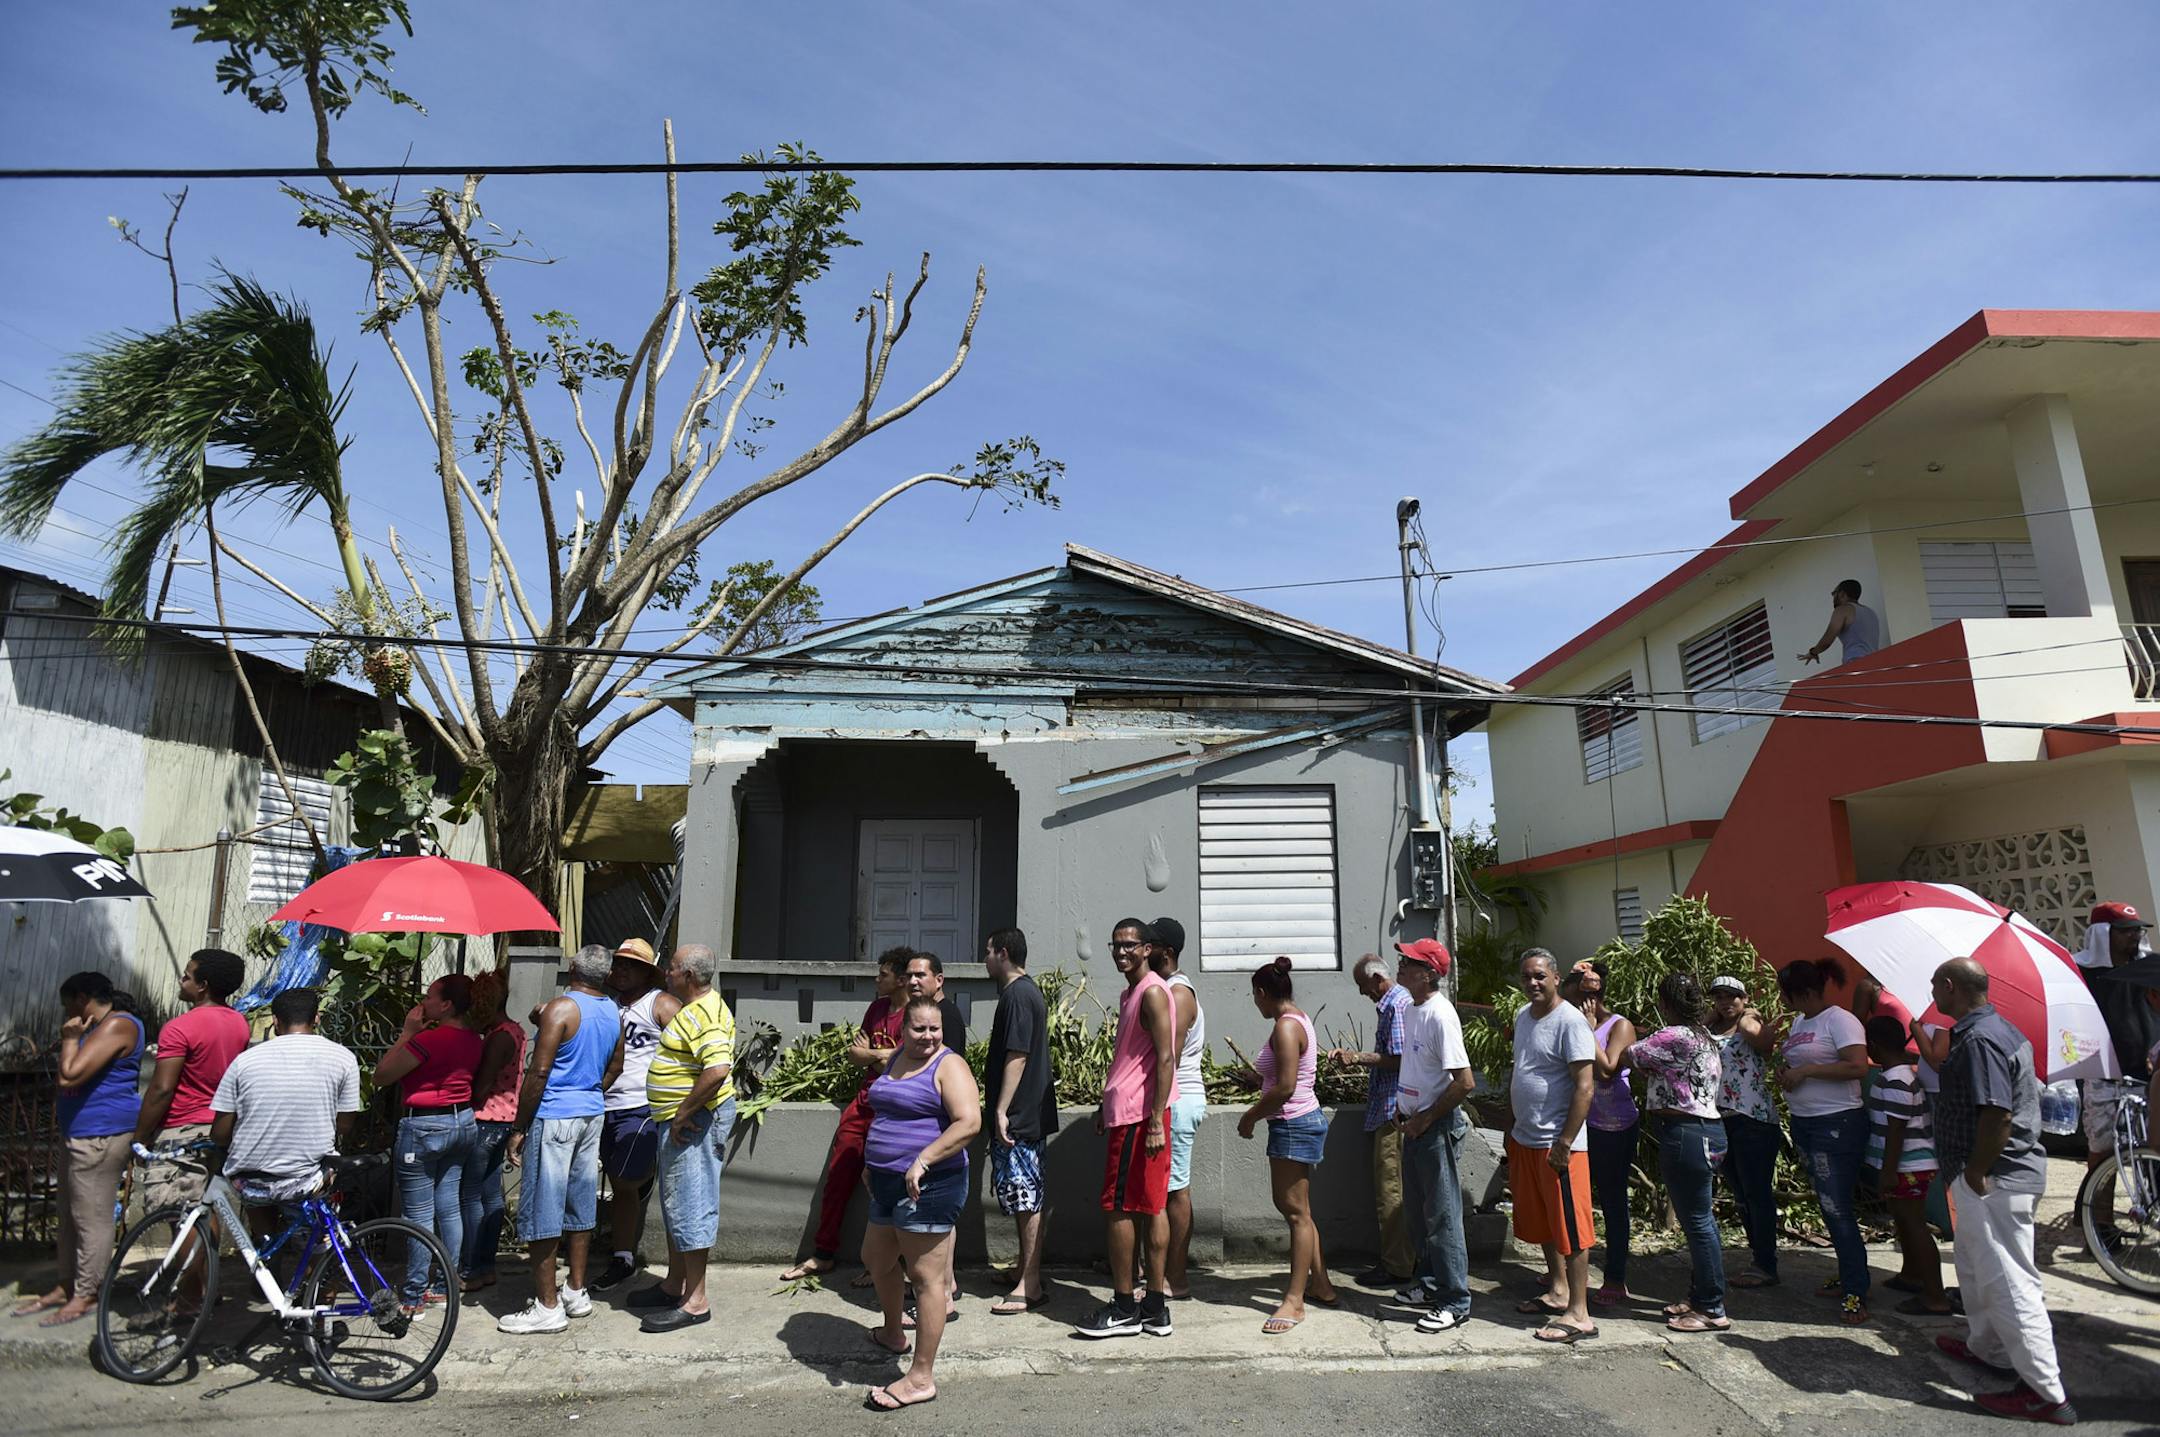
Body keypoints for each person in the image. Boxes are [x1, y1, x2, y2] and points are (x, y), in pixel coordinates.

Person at [1929, 958, 2074, 1425]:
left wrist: (1976, 1170)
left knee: (2010, 1285)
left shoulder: (1981, 1039)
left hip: (1995, 1177)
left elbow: (1997, 1114)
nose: (1932, 994)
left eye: (1935, 986)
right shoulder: (1993, 1030)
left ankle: (2045, 1394)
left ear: (1950, 987)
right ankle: (1989, 1350)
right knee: (1976, 1270)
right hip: (1988, 1175)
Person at [861, 995, 982, 1411]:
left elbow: (969, 1122)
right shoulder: (897, 1057)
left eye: (935, 1029)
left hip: (929, 1185)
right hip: (886, 1182)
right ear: (903, 1029)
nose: (928, 1036)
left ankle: (920, 1377)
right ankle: (894, 1332)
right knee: (876, 1258)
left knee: (926, 1278)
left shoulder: (949, 1065)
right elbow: (885, 1112)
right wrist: (870, 1162)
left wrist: (922, 1160)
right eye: (919, 1029)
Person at [500, 944, 624, 1335]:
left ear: (572, 968)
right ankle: (575, 1290)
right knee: (581, 1200)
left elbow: (538, 1073)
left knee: (543, 1207)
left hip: (555, 1115)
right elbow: (617, 1064)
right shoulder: (610, 1010)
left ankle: (547, 1307)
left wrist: (519, 1127)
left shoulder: (561, 1008)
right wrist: (590, 1089)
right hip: (590, 1112)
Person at [17, 972, 146, 1326]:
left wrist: (71, 1038)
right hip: (81, 1130)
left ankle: (87, 1292)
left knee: (92, 1217)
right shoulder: (99, 1027)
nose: (65, 1014)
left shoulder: (119, 1025)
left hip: (102, 1133)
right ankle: (66, 1285)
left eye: (67, 1004)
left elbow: (69, 1074)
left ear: (81, 998)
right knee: (70, 1215)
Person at [1075, 917, 1178, 1339]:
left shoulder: (1152, 992)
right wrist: (1106, 1102)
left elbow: (1166, 1058)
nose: (1121, 952)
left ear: (1148, 948)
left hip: (1141, 1118)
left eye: (1130, 945)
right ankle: (1154, 1307)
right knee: (1149, 1207)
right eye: (1115, 945)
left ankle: (1123, 1307)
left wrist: (1155, 1119)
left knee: (1120, 1209)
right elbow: (1130, 1059)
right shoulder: (1131, 992)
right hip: (1129, 1112)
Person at [782, 945, 908, 1283]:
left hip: (893, 1108)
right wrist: (879, 1055)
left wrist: (875, 1053)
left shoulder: (914, 1016)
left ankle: (883, 1265)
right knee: (839, 1176)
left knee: (885, 1187)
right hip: (863, 1102)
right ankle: (823, 1253)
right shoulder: (877, 1008)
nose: (876, 979)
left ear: (900, 979)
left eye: (882, 974)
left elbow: (902, 1058)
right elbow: (855, 1054)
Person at [631, 945, 737, 1333]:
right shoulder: (695, 1009)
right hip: (686, 1122)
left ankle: (696, 1300)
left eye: (673, 967)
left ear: (688, 976)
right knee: (678, 1204)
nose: (666, 972)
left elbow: (718, 1069)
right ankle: (676, 1284)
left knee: (692, 1204)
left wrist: (683, 1112)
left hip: (694, 1123)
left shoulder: (704, 1014)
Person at [131, 948, 250, 1291]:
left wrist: (139, 1135)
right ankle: (203, 1292)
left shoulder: (180, 1027)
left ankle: (188, 1300)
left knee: (179, 1214)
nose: (181, 980)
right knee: (203, 1210)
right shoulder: (238, 1023)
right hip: (221, 1128)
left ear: (203, 985)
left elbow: (161, 1089)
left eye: (187, 975)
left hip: (183, 1129)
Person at [375, 974, 498, 1305]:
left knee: (418, 1214)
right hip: (462, 1123)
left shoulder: (428, 1040)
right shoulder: (474, 1039)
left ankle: (414, 1293)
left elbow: (382, 1075)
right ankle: (445, 1283)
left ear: (446, 1005)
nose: (423, 1002)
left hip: (425, 1127)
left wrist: (407, 1033)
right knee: (449, 1206)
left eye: (430, 996)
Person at [1235, 956, 1339, 1335]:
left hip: (1292, 1123)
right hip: (1299, 1121)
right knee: (1302, 1212)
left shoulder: (1284, 1027)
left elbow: (1285, 1087)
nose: (1254, 1002)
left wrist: (1250, 1116)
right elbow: (1282, 1076)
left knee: (1294, 1213)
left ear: (1263, 993)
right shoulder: (1299, 1018)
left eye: (1254, 996)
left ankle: (1294, 1301)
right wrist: (1255, 1078)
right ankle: (1321, 1285)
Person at [1623, 973, 1729, 1333]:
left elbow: (1629, 1056)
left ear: (1666, 1004)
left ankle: (1712, 1307)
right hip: (1707, 1132)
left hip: (1686, 1132)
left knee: (1698, 1223)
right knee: (1699, 1220)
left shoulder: (1676, 1035)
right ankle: (1699, 1295)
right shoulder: (1704, 1037)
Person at [1507, 949, 1598, 1344]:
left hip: (1560, 1145)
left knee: (1572, 1230)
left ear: (1557, 977)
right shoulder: (1523, 1018)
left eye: (1540, 976)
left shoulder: (1571, 1021)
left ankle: (1580, 1313)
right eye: (1527, 977)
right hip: (1526, 1138)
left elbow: (1585, 1085)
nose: (1533, 983)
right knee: (1545, 1222)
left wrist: (1564, 1141)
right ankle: (1558, 1289)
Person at [1775, 956, 1871, 1324]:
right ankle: (1849, 1274)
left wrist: (1809, 1071)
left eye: (1786, 993)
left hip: (1837, 1123)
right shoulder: (1801, 1021)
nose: (1783, 1000)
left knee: (1837, 1207)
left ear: (1803, 992)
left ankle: (1856, 1290)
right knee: (1828, 1206)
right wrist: (1790, 1074)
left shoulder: (1840, 1020)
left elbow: (1858, 1066)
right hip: (1805, 1122)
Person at [1389, 941, 1476, 1334]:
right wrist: (1403, 1105)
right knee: (1419, 1216)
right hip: (1413, 1125)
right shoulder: (1411, 1009)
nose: (1401, 965)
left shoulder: (1442, 1015)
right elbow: (1416, 1067)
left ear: (1428, 973)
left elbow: (1464, 1082)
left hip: (1435, 1129)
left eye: (1409, 962)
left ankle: (1455, 1301)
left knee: (1442, 1219)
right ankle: (1428, 1285)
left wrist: (1424, 1118)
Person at [206, 987, 361, 1202]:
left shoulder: (245, 1060)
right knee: (307, 1230)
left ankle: (263, 1235)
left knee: (262, 1230)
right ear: (316, 1018)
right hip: (309, 1177)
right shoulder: (343, 1058)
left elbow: (220, 1134)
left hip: (250, 1178)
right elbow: (344, 1126)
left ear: (275, 1021)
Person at [983, 926, 1058, 1315]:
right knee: (1025, 1196)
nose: (985, 958)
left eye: (989, 951)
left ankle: (1030, 1284)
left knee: (1028, 1200)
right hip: (1025, 1114)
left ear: (1005, 953)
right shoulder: (1024, 993)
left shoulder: (1017, 996)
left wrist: (1000, 1109)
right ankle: (1022, 1270)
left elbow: (1018, 1054)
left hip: (1020, 1117)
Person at [1331, 949, 1416, 1289]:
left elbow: (1399, 1058)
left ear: (1377, 979)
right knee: (1395, 1190)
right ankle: (1404, 1258)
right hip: (1391, 1108)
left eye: (1363, 985)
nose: (1362, 993)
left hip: (1393, 1111)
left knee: (1390, 1190)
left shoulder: (1395, 1005)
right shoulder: (1398, 1003)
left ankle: (1397, 1265)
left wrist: (1357, 1058)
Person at [595, 938, 675, 1291]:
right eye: (618, 963)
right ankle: (622, 1256)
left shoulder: (659, 1004)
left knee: (626, 1181)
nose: (622, 969)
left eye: (631, 964)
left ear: (646, 972)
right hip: (603, 1104)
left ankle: (644, 1180)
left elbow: (691, 1043)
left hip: (640, 1105)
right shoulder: (605, 1005)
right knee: (617, 1185)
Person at [1863, 1015, 1947, 1316]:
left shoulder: (1898, 1079)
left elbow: (1897, 1129)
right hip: (1906, 1164)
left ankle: (1935, 1295)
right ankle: (1911, 1275)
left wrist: (1888, 1171)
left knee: (1914, 1225)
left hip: (1907, 1165)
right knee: (1903, 1220)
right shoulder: (1898, 1075)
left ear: (1873, 1045)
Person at [1567, 959, 1639, 1307]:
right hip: (1581, 1124)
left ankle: (1615, 1277)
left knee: (1612, 1201)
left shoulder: (1618, 1025)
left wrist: (1587, 1028)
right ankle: (1567, 1271)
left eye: (1589, 991)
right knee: (1577, 1199)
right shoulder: (1570, 1017)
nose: (1582, 997)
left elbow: (1609, 1069)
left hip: (1614, 1125)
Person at [1706, 975, 1781, 1288]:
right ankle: (1758, 1257)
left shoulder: (1751, 1024)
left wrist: (1748, 1016)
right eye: (1720, 997)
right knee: (1740, 1193)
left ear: (1745, 998)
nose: (1726, 1002)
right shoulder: (1710, 1028)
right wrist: (1711, 1018)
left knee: (1757, 1192)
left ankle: (1766, 1263)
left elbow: (1764, 1043)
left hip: (1753, 1118)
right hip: (1721, 1119)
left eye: (1733, 996)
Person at [1149, 916, 1206, 1299]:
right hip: (1170, 1099)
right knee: (1164, 1190)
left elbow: (1170, 1053)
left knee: (1175, 1191)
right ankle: (1158, 1270)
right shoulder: (1163, 989)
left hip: (1179, 1099)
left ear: (1166, 952)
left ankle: (1177, 1279)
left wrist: (1155, 1112)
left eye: (1148, 945)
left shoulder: (1179, 993)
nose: (1140, 951)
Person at [460, 969, 526, 1293]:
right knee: (490, 1194)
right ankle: (486, 1266)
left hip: (485, 1119)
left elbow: (482, 1085)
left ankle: (471, 1267)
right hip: (504, 1121)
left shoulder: (498, 1036)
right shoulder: (515, 1031)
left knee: (471, 1195)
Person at [2079, 901, 2157, 1176]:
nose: (2134, 936)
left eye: (2137, 930)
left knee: (2150, 1145)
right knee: (2102, 1148)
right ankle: (2096, 1213)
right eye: (2125, 931)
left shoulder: (2149, 970)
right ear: (2103, 933)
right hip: (2102, 1074)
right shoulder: (2081, 972)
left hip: (2146, 1074)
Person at [1798, 578, 1882, 666]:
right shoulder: (1871, 613)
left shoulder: (1842, 609)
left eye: (1834, 593)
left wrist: (1813, 652)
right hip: (1874, 664)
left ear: (1842, 594)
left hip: (1855, 662)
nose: (1833, 597)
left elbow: (1827, 640)